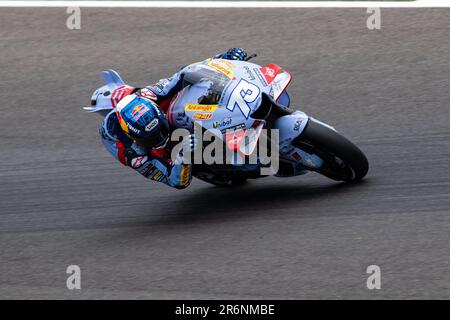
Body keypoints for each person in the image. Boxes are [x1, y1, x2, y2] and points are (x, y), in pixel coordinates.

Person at [96, 48, 248, 189]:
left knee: (188, 87)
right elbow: (175, 181)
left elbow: (184, 73)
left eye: (161, 130)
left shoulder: (150, 95)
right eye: (152, 137)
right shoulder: (133, 153)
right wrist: (183, 156)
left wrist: (224, 61)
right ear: (133, 137)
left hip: (145, 105)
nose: (161, 137)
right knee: (164, 153)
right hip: (132, 142)